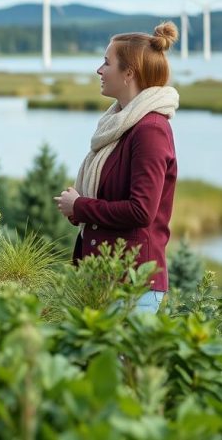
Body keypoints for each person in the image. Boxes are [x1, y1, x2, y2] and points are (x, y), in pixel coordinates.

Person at [54, 22, 180, 314]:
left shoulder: (150, 129)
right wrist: (78, 208)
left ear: (129, 73)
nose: (99, 70)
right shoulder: (120, 125)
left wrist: (81, 206)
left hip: (134, 285)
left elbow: (141, 211)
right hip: (106, 280)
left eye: (106, 62)